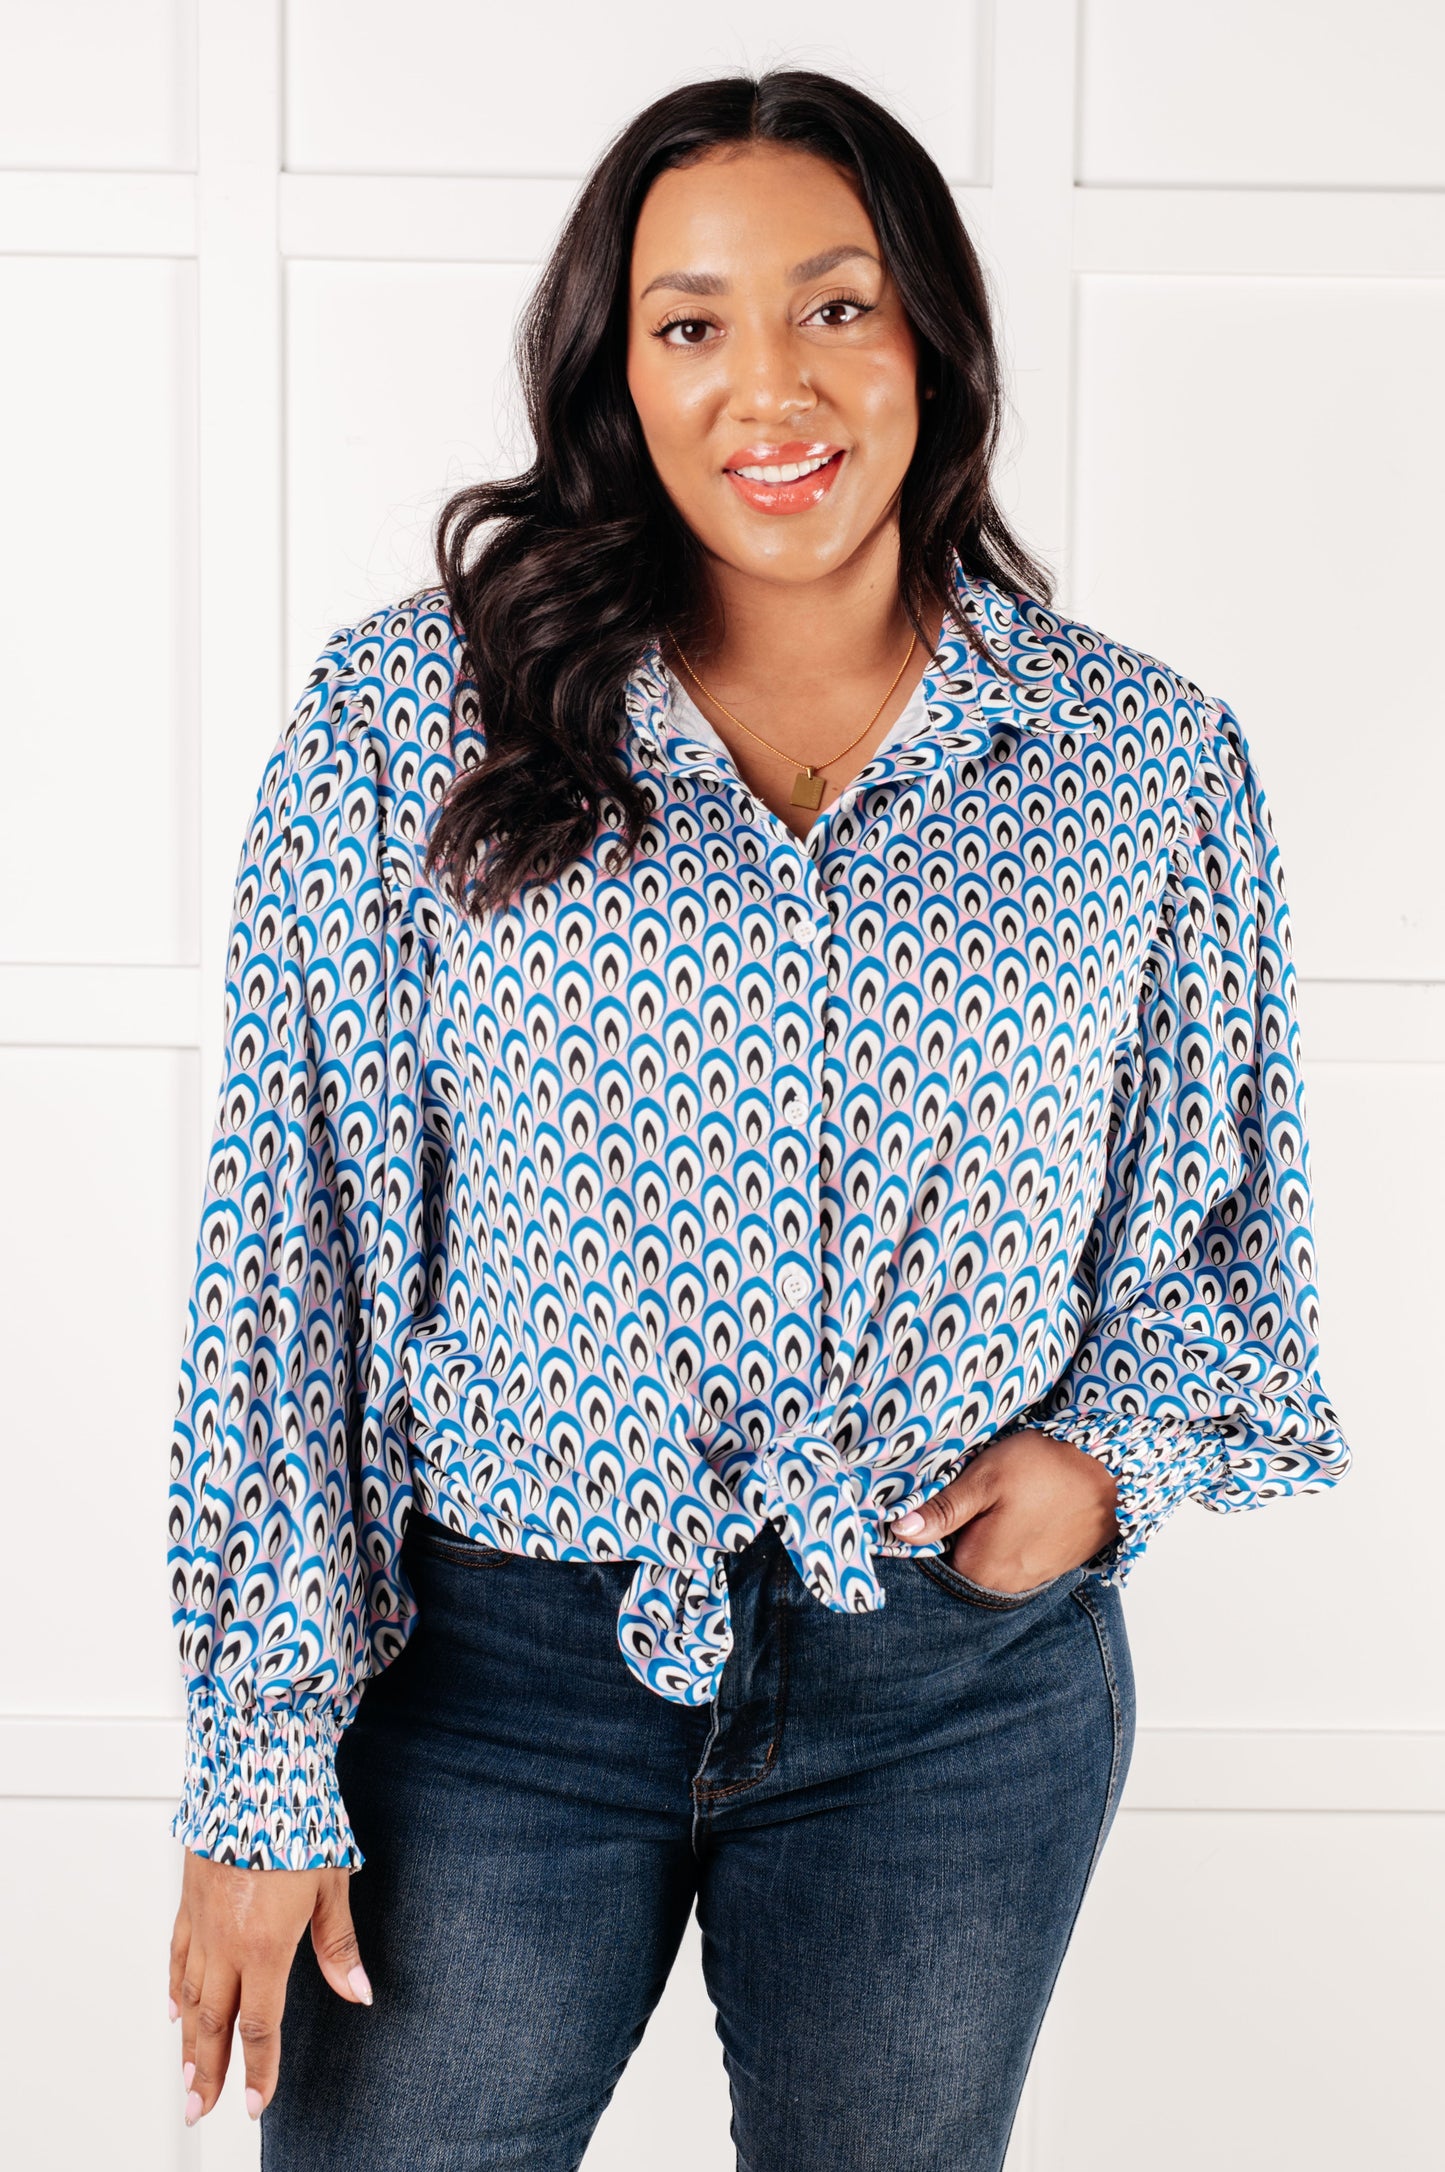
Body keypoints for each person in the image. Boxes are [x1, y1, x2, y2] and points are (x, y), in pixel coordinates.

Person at [165, 68, 1352, 2172]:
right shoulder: (411, 718)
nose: (770, 386)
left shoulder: (1141, 761)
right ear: (617, 373)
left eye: (836, 307)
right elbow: (298, 1246)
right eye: (691, 323)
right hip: (493, 1677)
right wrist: (264, 1759)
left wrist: (1106, 1458)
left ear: (932, 342)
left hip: (951, 1695)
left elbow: (1228, 1215)